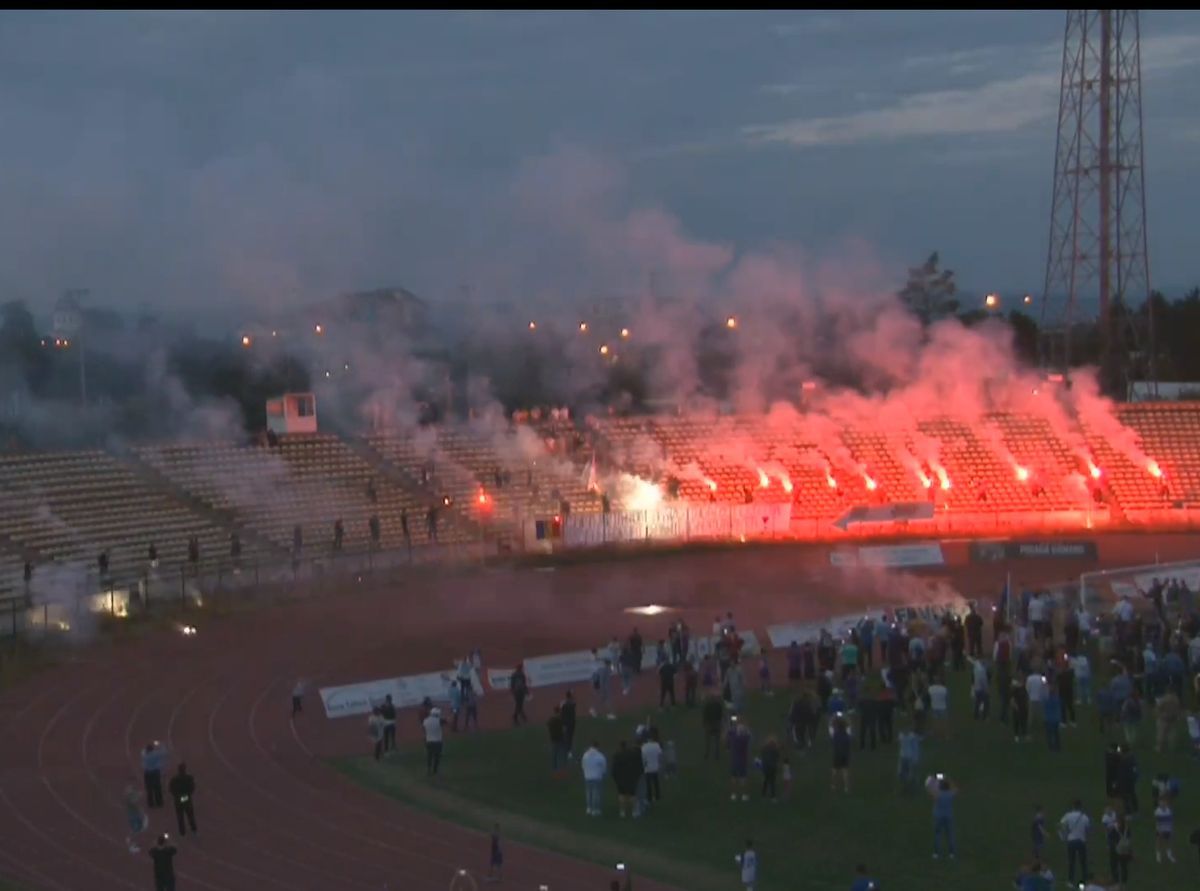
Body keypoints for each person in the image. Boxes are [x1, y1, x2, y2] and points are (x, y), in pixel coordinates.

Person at [1059, 799, 1091, 885]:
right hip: (1081, 841)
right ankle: (1085, 880)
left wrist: (1063, 835)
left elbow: (1061, 825)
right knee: (1083, 862)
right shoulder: (1084, 817)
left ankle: (1070, 880)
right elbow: (1088, 830)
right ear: (1080, 806)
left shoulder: (1068, 816)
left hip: (1071, 840)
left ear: (1073, 806)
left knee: (1071, 862)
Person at [612, 740, 642, 819]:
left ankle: (622, 812)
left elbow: (614, 768)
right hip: (631, 778)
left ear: (620, 746)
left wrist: (615, 778)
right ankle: (634, 812)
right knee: (632, 795)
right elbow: (638, 765)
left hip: (620, 779)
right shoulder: (632, 754)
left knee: (621, 795)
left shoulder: (617, 755)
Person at [929, 775, 957, 860]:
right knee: (950, 835)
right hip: (948, 816)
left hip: (938, 816)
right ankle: (952, 854)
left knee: (937, 835)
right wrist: (948, 779)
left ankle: (936, 853)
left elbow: (932, 789)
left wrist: (937, 780)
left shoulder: (938, 794)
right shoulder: (950, 794)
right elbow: (955, 789)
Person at [168, 764, 197, 837]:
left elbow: (171, 789)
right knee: (190, 815)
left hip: (178, 800)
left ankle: (182, 832)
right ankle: (193, 829)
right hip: (187, 799)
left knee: (180, 817)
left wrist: (177, 796)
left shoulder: (174, 779)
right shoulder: (189, 778)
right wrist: (187, 795)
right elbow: (192, 788)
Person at [728, 719, 752, 801]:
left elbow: (730, 731)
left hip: (734, 761)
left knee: (733, 778)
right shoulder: (745, 739)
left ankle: (733, 795)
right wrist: (745, 728)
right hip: (742, 761)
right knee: (743, 778)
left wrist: (733, 724)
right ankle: (744, 795)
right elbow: (749, 734)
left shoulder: (734, 737)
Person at [582, 740, 607, 816]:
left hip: (587, 776)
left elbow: (583, 766)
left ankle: (589, 808)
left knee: (588, 793)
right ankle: (595, 809)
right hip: (597, 777)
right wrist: (602, 773)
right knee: (596, 794)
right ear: (597, 747)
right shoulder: (600, 756)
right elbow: (604, 768)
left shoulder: (585, 755)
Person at [123, 780, 148, 853]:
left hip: (134, 815)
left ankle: (131, 841)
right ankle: (131, 845)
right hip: (133, 815)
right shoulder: (130, 800)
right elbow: (134, 800)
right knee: (137, 829)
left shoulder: (130, 799)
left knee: (138, 828)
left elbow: (135, 799)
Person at [141, 742, 167, 809]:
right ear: (152, 749)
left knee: (149, 788)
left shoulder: (144, 755)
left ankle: (151, 803)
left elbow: (143, 751)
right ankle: (159, 802)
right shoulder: (156, 754)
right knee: (157, 787)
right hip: (155, 772)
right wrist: (159, 745)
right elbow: (164, 752)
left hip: (147, 773)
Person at [830, 715, 851, 794]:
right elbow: (848, 725)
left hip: (837, 754)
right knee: (845, 771)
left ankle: (833, 785)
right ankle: (846, 787)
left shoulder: (835, 735)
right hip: (845, 754)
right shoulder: (847, 735)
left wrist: (834, 719)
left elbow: (831, 726)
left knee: (834, 770)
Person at [423, 707, 446, 777]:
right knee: (437, 757)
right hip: (437, 742)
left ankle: (428, 770)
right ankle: (435, 771)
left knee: (429, 756)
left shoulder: (425, 720)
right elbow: (446, 722)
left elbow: (424, 730)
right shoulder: (439, 720)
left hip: (428, 741)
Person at [641, 732, 663, 804]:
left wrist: (644, 766)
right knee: (656, 783)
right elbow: (660, 756)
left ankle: (649, 797)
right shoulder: (656, 745)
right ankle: (657, 796)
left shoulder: (644, 747)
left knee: (648, 784)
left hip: (648, 768)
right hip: (655, 767)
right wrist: (660, 764)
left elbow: (643, 759)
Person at [702, 693, 724, 759]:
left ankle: (707, 754)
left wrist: (704, 723)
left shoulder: (707, 705)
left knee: (708, 740)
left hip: (709, 724)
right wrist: (720, 724)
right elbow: (721, 715)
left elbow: (705, 715)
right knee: (716, 741)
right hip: (716, 724)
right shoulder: (718, 705)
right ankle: (717, 754)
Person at [1154, 798, 1176, 863]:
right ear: (1159, 803)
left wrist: (1171, 829)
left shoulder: (1169, 810)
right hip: (1160, 829)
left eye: (1164, 802)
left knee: (1168, 842)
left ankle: (1169, 855)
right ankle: (1158, 855)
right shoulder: (1157, 811)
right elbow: (1157, 822)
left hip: (1167, 829)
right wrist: (1159, 830)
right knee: (1159, 842)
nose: (1163, 803)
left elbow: (1171, 821)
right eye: (1161, 802)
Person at [547, 705, 567, 774]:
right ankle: (563, 767)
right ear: (559, 711)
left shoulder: (551, 719)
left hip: (553, 738)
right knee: (563, 752)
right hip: (560, 738)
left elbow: (548, 726)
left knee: (555, 754)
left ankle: (555, 768)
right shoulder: (560, 719)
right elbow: (564, 728)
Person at [759, 735, 780, 801]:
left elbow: (763, 757)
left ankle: (763, 795)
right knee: (772, 782)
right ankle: (772, 797)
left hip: (766, 768)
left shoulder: (764, 749)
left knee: (766, 782)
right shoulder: (775, 749)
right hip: (772, 768)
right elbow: (777, 758)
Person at [560, 690, 577, 757]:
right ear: (570, 696)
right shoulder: (572, 703)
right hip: (572, 722)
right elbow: (574, 702)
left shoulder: (563, 703)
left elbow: (561, 712)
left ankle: (565, 749)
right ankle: (568, 750)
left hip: (565, 722)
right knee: (569, 737)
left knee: (566, 736)